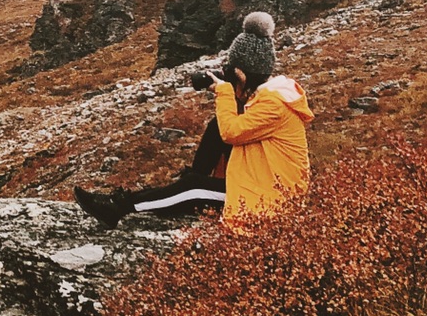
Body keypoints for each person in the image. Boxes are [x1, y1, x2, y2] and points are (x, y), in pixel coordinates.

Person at [74, 11, 313, 228]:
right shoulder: (269, 97)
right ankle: (189, 179)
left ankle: (120, 208)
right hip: (259, 184)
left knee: (195, 189)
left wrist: (225, 92)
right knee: (216, 127)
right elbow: (225, 128)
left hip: (271, 200)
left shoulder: (276, 104)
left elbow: (232, 132)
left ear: (240, 74)